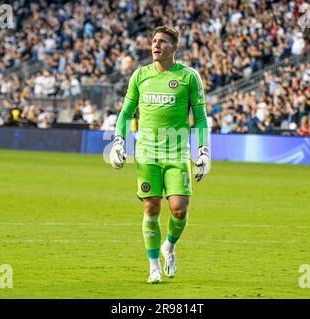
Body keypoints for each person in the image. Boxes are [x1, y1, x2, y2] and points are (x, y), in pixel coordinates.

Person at [108, 26, 210, 284]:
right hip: (147, 153)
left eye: (162, 42)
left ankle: (169, 246)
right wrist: (119, 143)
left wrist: (204, 151)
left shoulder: (189, 77)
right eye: (153, 41)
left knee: (178, 209)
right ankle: (153, 266)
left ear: (175, 48)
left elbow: (199, 117)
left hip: (177, 153)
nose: (155, 45)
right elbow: (125, 114)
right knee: (151, 206)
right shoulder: (140, 76)